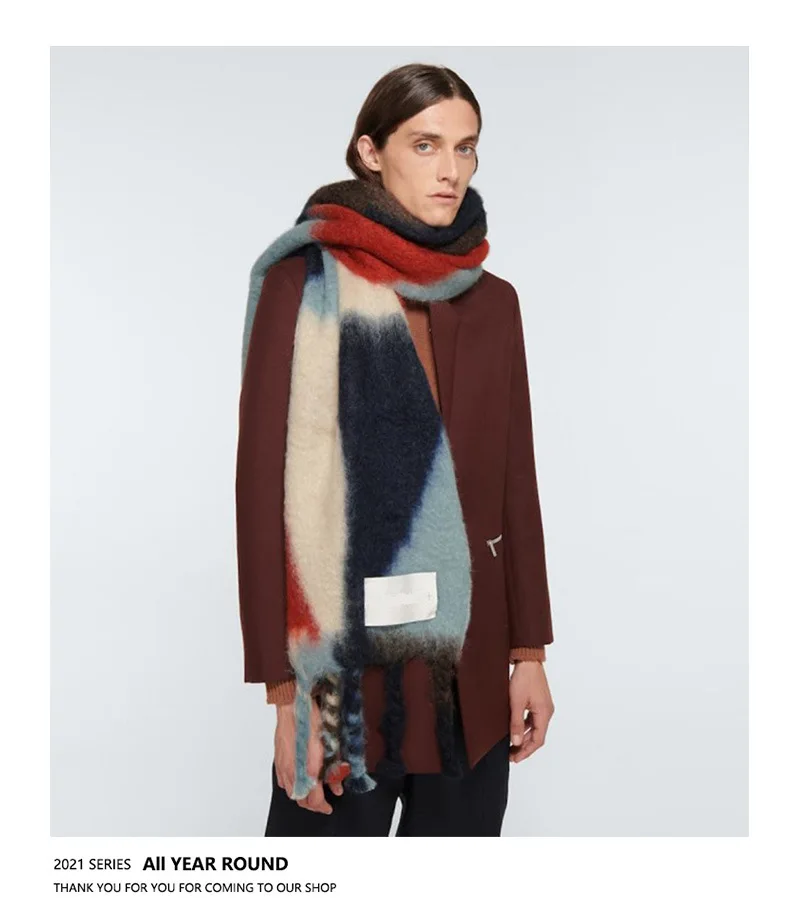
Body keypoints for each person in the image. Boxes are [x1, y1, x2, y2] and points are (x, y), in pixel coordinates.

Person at [236, 63, 555, 837]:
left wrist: (529, 653)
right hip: (344, 681)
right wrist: (284, 695)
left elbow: (514, 481)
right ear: (370, 152)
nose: (451, 169)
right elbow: (261, 492)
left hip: (470, 675)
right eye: (425, 144)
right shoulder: (299, 287)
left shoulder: (494, 302)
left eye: (466, 147)